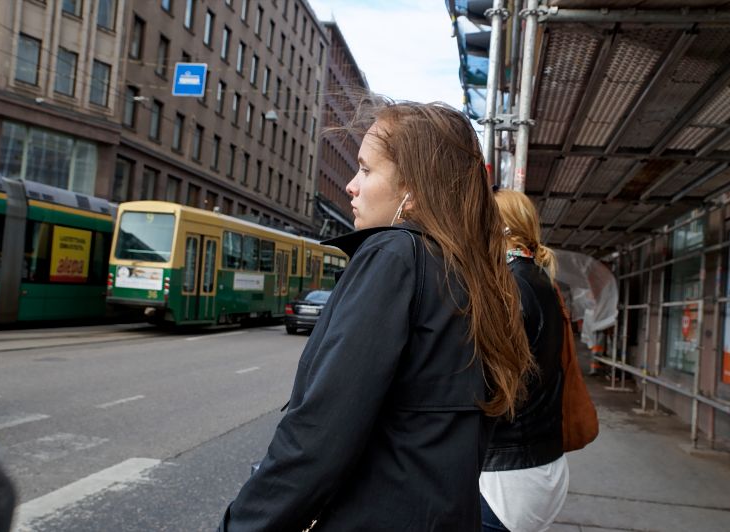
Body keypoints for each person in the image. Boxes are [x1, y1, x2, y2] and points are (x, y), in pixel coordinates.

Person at [218, 101, 533, 531]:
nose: (351, 185)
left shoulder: (394, 256)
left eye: (365, 170)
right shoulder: (476, 274)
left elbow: (320, 433)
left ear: (415, 189)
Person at [479, 189, 568, 532]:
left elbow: (484, 383)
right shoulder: (542, 282)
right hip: (541, 465)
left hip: (506, 477)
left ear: (498, 227)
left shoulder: (509, 288)